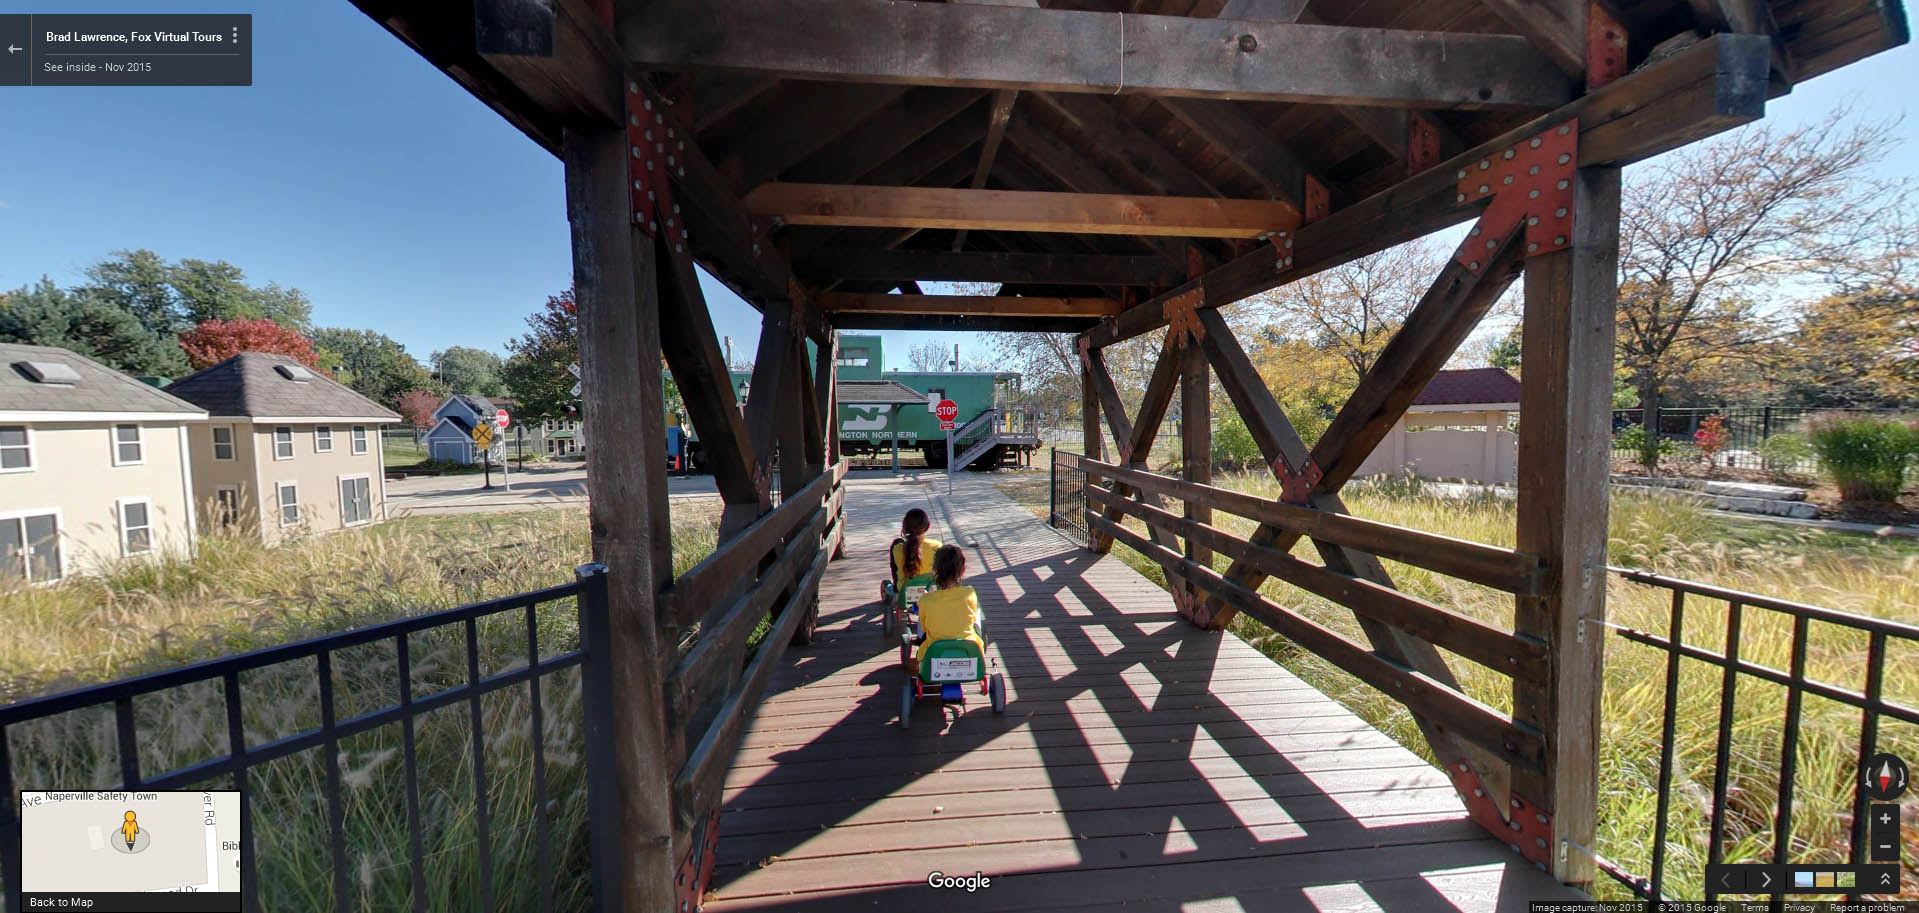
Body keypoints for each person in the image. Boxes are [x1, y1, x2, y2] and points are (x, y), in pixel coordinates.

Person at [914, 545, 983, 663]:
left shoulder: (927, 600)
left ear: (935, 570)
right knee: (976, 611)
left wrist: (924, 599)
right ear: (962, 570)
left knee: (923, 616)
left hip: (934, 654)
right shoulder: (970, 593)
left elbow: (925, 627)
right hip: (968, 653)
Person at [891, 508, 941, 587]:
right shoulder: (936, 546)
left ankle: (895, 588)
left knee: (897, 541)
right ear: (927, 526)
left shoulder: (898, 548)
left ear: (905, 527)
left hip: (904, 593)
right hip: (931, 591)